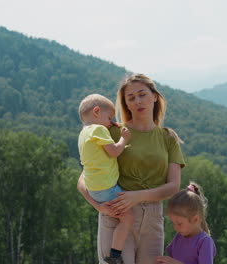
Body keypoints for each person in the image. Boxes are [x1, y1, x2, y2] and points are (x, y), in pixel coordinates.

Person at [77, 74, 185, 264]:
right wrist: (98, 206)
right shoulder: (114, 132)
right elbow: (84, 178)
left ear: (154, 97)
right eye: (131, 98)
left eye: (142, 94)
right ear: (126, 104)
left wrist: (137, 196)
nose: (138, 101)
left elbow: (173, 186)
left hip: (152, 221)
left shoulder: (168, 138)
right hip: (117, 216)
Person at [77, 94, 133, 264]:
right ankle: (114, 255)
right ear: (96, 112)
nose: (110, 123)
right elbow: (114, 151)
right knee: (128, 218)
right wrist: (124, 138)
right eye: (109, 118)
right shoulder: (98, 129)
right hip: (106, 187)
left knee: (121, 216)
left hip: (94, 189)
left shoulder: (83, 134)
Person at [156, 182, 216, 264]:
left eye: (179, 224)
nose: (175, 228)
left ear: (195, 219)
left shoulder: (204, 241)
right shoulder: (179, 237)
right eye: (173, 223)